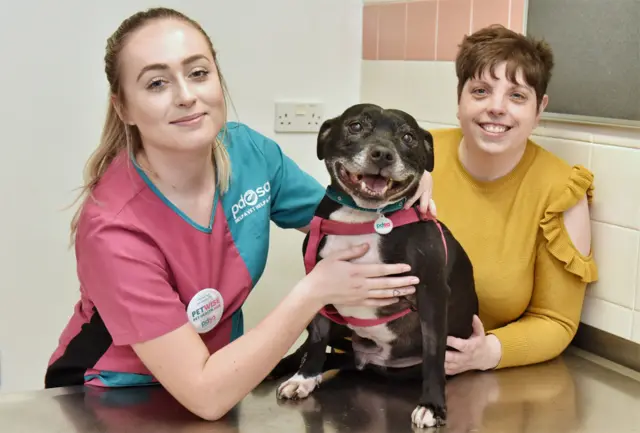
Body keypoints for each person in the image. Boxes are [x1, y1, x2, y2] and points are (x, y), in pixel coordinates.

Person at [43, 7, 435, 421]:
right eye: (157, 83)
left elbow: (342, 220)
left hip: (224, 381)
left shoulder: (248, 154)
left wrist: (402, 187)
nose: (185, 95)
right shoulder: (113, 227)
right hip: (111, 399)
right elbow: (204, 395)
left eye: (198, 73)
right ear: (123, 107)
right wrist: (313, 292)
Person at [430, 24, 598, 376]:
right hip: (372, 359)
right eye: (480, 91)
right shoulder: (416, 156)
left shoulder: (560, 191)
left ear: (539, 109)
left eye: (517, 96)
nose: (496, 108)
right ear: (459, 99)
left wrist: (485, 352)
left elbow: (556, 321)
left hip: (470, 383)